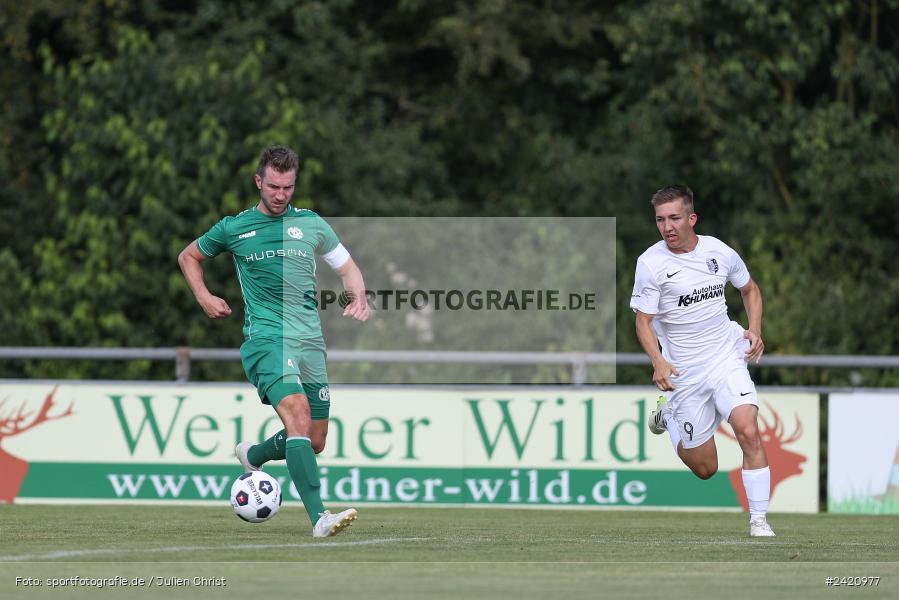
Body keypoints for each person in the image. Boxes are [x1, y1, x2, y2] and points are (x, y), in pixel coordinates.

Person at [178, 145, 369, 537]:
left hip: (310, 343)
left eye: (288, 187)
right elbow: (188, 257)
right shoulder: (235, 227)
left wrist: (358, 296)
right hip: (267, 339)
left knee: (315, 439)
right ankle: (319, 518)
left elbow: (348, 267)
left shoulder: (311, 224)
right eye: (274, 187)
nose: (281, 195)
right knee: (297, 413)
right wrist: (204, 297)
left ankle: (254, 454)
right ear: (258, 182)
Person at [630, 185, 775, 537]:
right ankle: (668, 417)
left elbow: (750, 289)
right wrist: (659, 362)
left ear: (691, 218)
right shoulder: (651, 264)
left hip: (726, 356)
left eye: (674, 218)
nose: (667, 227)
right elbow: (643, 322)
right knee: (706, 468)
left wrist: (755, 329)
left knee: (748, 430)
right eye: (660, 220)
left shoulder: (719, 252)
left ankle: (759, 521)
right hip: (685, 373)